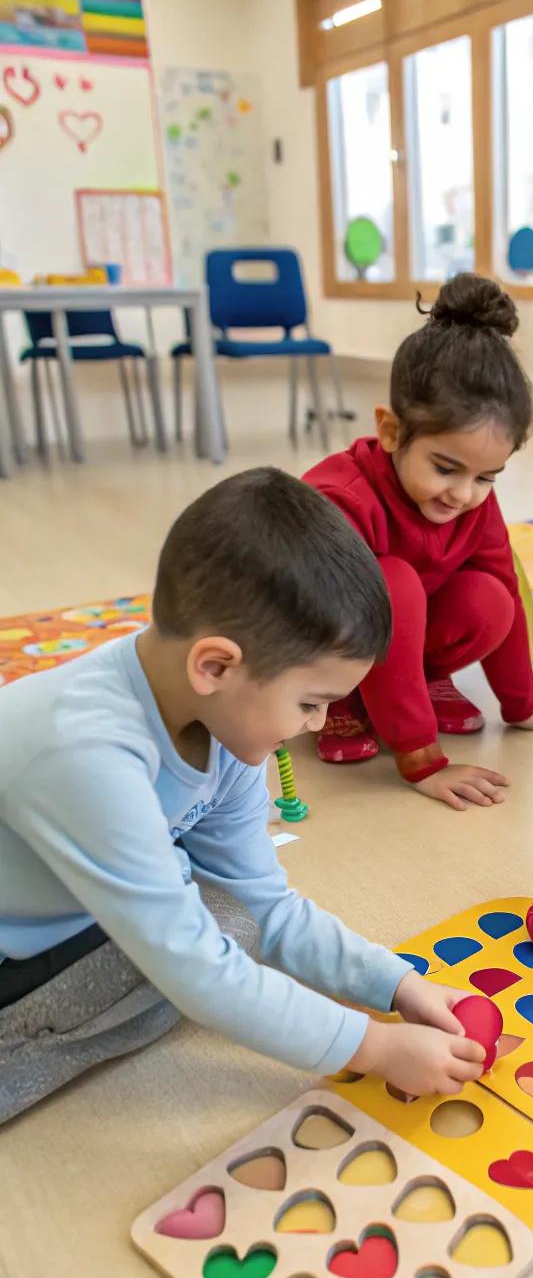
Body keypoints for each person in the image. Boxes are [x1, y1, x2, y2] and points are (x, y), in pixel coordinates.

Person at [0, 468, 485, 1125]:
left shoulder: (220, 721)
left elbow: (269, 907)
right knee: (205, 964)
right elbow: (197, 971)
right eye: (310, 703)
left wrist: (398, 985)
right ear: (216, 666)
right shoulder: (86, 753)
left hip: (68, 917)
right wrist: (372, 1047)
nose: (317, 726)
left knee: (233, 922)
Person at [304, 273, 533, 811]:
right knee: (394, 581)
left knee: (491, 596)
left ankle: (422, 686)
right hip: (324, 647)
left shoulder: (472, 502)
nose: (462, 495)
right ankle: (345, 701)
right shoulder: (341, 499)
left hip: (399, 647)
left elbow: (505, 587)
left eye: (486, 477)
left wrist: (521, 704)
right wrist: (421, 759)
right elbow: (304, 613)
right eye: (445, 468)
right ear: (390, 432)